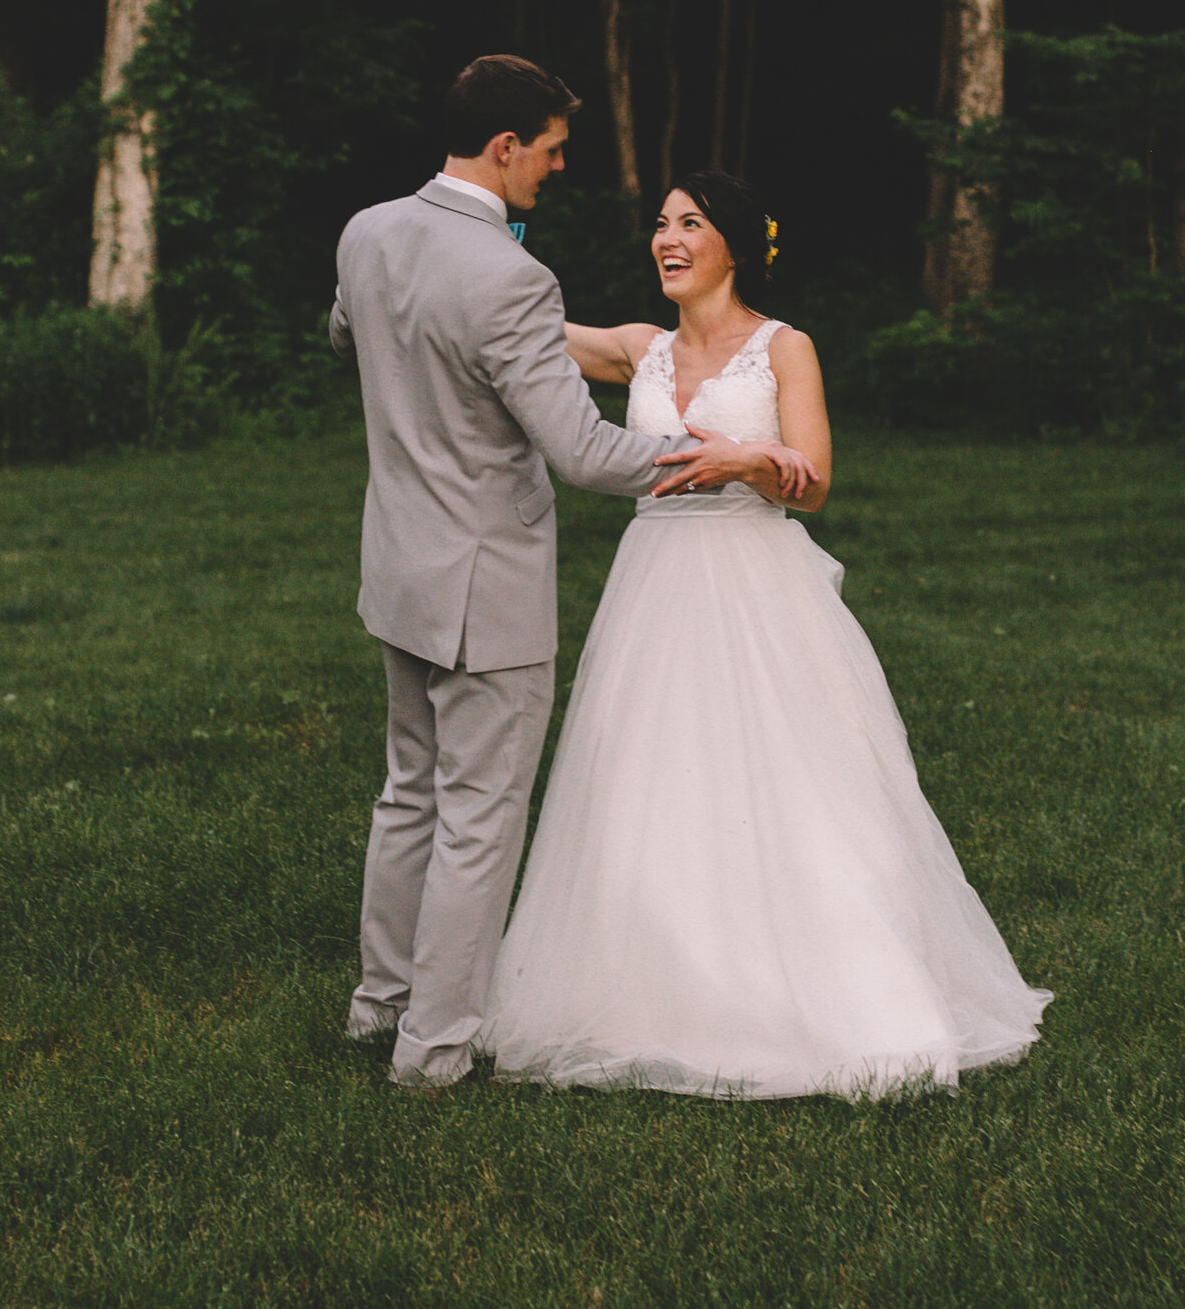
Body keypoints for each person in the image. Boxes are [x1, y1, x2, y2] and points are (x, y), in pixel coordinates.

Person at [484, 170, 1052, 1099]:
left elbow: (817, 481)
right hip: (655, 589)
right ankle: (659, 994)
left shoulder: (785, 349)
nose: (667, 239)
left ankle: (829, 996)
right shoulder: (640, 350)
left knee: (795, 787)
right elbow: (523, 323)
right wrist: (483, 242)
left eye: (690, 224)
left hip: (757, 586)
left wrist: (751, 460)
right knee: (647, 782)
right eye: (660, 225)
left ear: (734, 246)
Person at [329, 58, 820, 1088]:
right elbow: (586, 453)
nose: (558, 168)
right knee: (474, 815)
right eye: (551, 149)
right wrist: (720, 457)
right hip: (482, 586)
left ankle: (377, 1007)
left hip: (397, 566)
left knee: (407, 794)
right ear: (506, 147)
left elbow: (348, 334)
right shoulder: (512, 276)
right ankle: (434, 1047)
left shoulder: (367, 232)